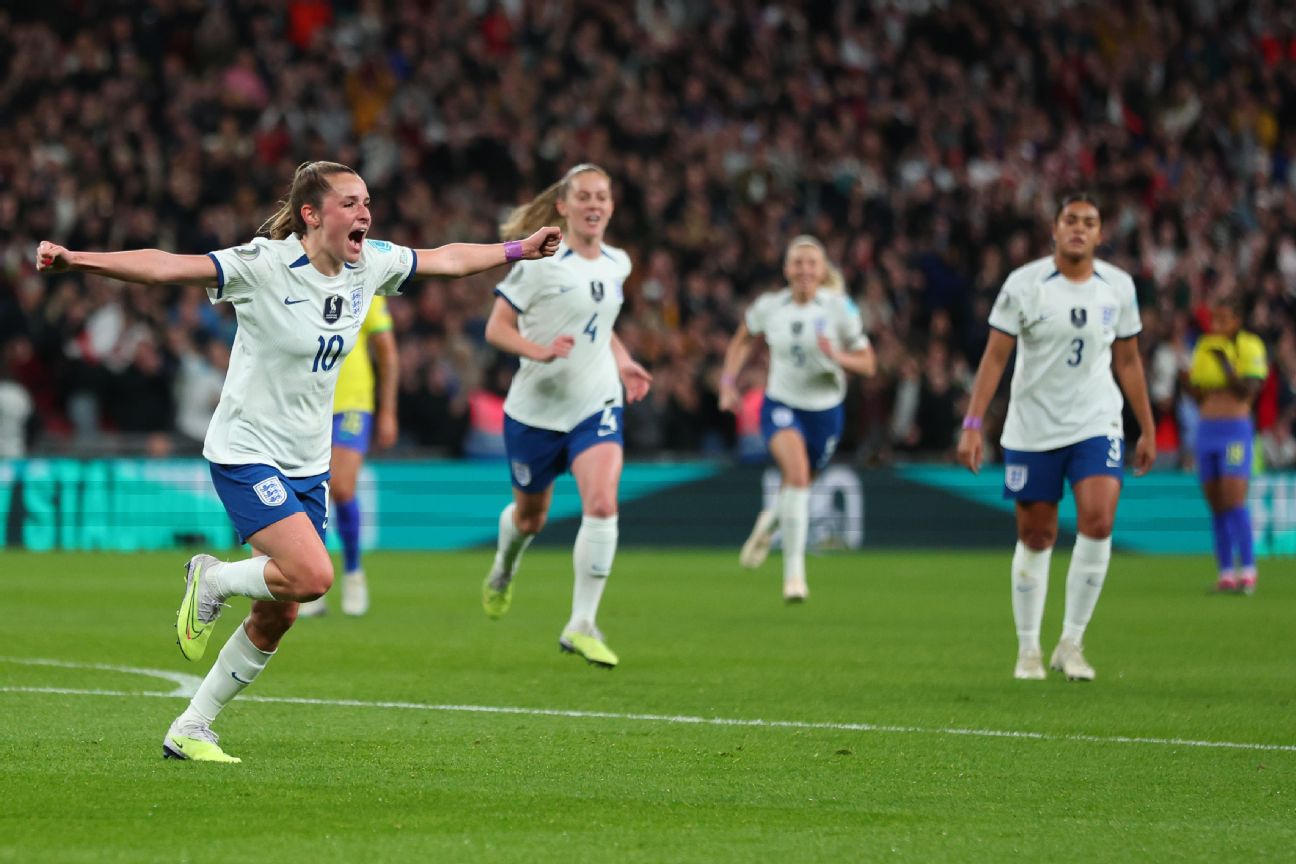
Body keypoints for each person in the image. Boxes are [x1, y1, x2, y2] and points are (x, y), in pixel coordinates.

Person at [36, 160, 561, 761]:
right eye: (350, 203)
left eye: (367, 201)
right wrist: (79, 259)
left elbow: (447, 258)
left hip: (307, 461)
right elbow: (165, 268)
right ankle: (211, 578)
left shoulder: (372, 263)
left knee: (280, 614)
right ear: (311, 215)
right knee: (314, 577)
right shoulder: (263, 265)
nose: (365, 212)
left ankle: (191, 726)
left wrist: (520, 248)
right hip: (246, 451)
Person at [957, 193, 1155, 682]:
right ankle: (1028, 649)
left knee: (1098, 518)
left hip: (1096, 421)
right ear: (1055, 227)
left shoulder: (1118, 287)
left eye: (1090, 222)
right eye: (1071, 220)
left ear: (1101, 233)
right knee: (1037, 534)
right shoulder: (1024, 285)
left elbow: (1128, 361)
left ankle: (1072, 641)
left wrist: (1146, 426)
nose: (1079, 229)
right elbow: (995, 357)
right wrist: (973, 424)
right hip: (1032, 426)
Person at [480, 164, 652, 669]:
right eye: (584, 197)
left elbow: (600, 324)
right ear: (564, 206)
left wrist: (623, 363)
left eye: (603, 196)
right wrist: (538, 350)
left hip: (596, 403)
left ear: (611, 206)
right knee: (531, 518)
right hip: (534, 412)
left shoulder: (618, 262)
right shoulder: (539, 264)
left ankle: (581, 623)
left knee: (601, 503)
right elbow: (496, 329)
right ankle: (503, 570)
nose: (594, 204)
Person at [717, 235, 876, 601]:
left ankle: (770, 519)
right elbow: (742, 339)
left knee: (797, 483)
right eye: (798, 262)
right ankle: (794, 577)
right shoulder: (770, 307)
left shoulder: (840, 309)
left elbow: (868, 363)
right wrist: (728, 383)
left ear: (821, 271)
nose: (804, 269)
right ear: (787, 269)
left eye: (811, 263)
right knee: (799, 477)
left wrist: (837, 357)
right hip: (781, 405)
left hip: (826, 413)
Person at [297, 294, 398, 617]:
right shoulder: (301, 281)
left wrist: (388, 411)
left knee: (341, 487)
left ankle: (353, 571)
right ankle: (312, 577)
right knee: (310, 489)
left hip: (351, 403)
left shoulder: (365, 286)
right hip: (307, 402)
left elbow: (386, 351)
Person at [1187, 296, 1268, 593]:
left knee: (1234, 499)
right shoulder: (1204, 346)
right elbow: (1199, 392)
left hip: (1235, 431)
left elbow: (1249, 390)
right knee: (1216, 503)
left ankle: (1248, 569)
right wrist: (1189, 384)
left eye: (1223, 319)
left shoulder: (1249, 346)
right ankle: (1225, 573)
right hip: (1207, 429)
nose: (1216, 324)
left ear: (1237, 320)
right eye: (1214, 318)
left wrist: (1225, 365)